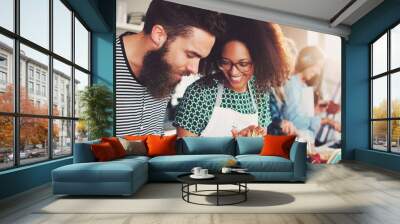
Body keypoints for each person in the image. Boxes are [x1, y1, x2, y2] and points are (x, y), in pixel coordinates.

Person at [115, 0, 225, 136]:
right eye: (190, 54)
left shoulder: (162, 68)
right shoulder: (102, 62)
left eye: (200, 58)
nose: (195, 69)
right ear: (159, 35)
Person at [174, 16, 295, 138]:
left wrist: (250, 139)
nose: (233, 72)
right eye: (226, 62)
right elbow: (183, 149)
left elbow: (261, 144)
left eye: (243, 64)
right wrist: (232, 145)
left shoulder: (259, 91)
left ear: (258, 61)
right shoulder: (200, 93)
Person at [283, 46, 340, 139]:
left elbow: (306, 116)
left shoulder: (304, 86)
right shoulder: (292, 84)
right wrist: (326, 121)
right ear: (306, 61)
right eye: (318, 66)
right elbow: (295, 121)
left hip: (308, 141)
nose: (318, 72)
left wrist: (316, 111)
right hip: (295, 142)